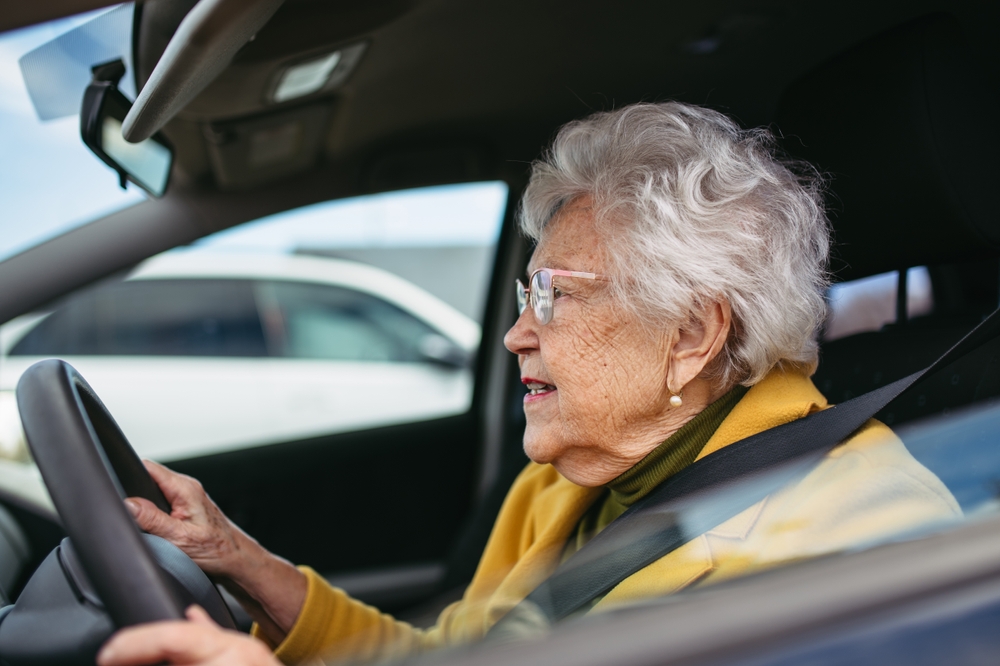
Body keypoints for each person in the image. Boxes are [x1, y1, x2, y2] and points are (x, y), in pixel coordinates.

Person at [97, 102, 961, 666]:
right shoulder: (561, 485)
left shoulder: (862, 539)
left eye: (553, 297)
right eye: (524, 295)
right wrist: (241, 564)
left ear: (691, 335)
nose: (517, 334)